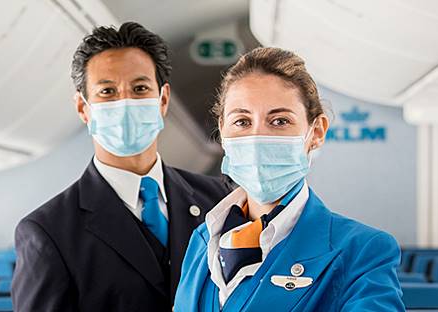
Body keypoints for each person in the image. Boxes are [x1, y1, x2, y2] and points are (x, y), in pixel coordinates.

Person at [11, 22, 230, 311]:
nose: (125, 102)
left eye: (140, 88)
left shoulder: (220, 201)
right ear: (82, 108)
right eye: (107, 92)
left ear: (162, 100)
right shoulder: (48, 232)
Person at [173, 47, 404, 311]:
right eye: (242, 121)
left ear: (316, 132)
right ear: (222, 131)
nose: (258, 137)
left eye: (280, 121)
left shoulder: (362, 251)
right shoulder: (201, 241)